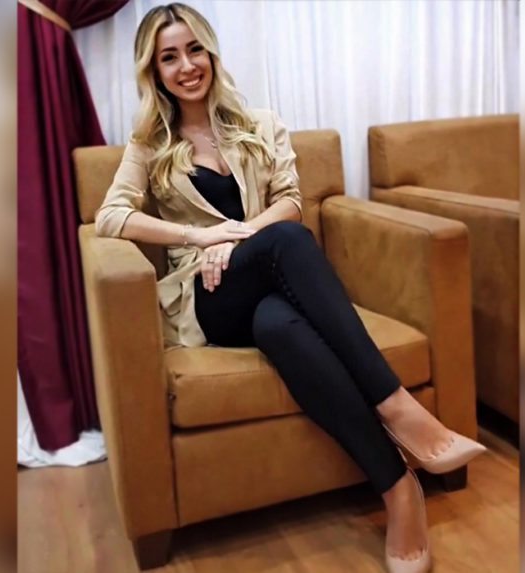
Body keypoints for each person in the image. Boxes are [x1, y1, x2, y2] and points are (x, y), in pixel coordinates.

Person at [95, 4, 485, 572]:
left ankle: (399, 488)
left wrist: (242, 235)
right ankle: (399, 408)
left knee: (280, 317)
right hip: (212, 297)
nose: (186, 66)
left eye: (194, 49)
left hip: (268, 290)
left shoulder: (260, 124)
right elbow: (110, 217)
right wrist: (202, 236)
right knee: (289, 241)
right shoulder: (149, 144)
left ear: (212, 52)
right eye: (169, 57)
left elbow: (290, 202)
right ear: (154, 71)